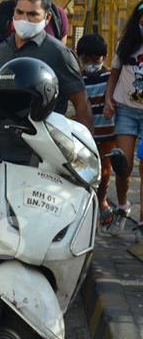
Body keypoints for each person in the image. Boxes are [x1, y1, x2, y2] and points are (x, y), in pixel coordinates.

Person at [0, 0, 92, 167]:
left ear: (47, 18)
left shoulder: (58, 53)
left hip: (44, 157)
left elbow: (82, 104)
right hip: (3, 153)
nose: (24, 19)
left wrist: (83, 156)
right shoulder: (1, 51)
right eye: (19, 12)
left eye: (33, 14)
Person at [103, 0, 143, 233]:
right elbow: (113, 75)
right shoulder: (126, 45)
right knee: (123, 164)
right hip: (126, 111)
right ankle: (123, 204)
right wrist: (109, 99)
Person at [76, 34, 116, 225]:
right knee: (84, 170)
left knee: (105, 171)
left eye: (96, 60)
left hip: (107, 134)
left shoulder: (109, 78)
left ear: (104, 57)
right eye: (86, 60)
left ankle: (101, 201)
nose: (91, 64)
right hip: (85, 136)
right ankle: (84, 204)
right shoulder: (76, 80)